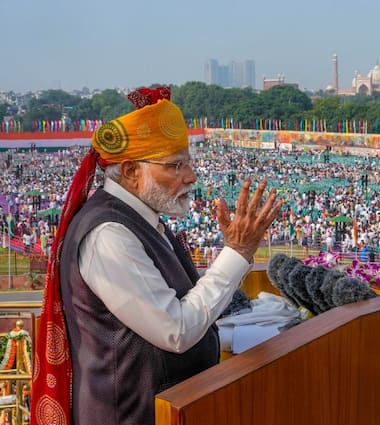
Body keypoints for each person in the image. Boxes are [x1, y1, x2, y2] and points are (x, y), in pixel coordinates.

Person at [31, 87, 282, 425]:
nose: (191, 176)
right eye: (175, 165)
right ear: (132, 171)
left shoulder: (144, 219)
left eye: (189, 162)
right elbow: (175, 330)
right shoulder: (109, 234)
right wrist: (236, 252)